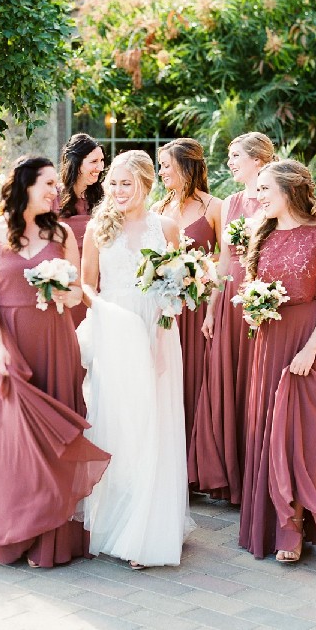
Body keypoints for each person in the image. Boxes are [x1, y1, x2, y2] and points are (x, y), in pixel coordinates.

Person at [0, 156, 110, 567]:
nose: (54, 192)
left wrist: (67, 295)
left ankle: (51, 539)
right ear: (24, 185)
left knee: (54, 443)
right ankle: (13, 533)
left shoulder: (61, 232)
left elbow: (80, 290)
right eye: (47, 184)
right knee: (10, 443)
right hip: (7, 343)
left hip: (54, 342)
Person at [78, 149, 194, 569]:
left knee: (154, 424)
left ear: (146, 184)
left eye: (126, 183)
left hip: (157, 332)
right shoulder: (97, 229)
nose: (118, 190)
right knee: (118, 424)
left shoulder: (167, 228)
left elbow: (181, 284)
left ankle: (148, 529)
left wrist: (166, 310)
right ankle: (116, 518)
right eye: (113, 183)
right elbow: (87, 285)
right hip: (115, 332)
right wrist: (109, 313)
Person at [239, 160, 316, 562]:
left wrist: (310, 349)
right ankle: (272, 525)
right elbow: (254, 287)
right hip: (270, 342)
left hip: (309, 340)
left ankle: (294, 530)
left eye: (265, 189)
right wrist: (251, 311)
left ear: (287, 190)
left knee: (301, 437)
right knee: (270, 432)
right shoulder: (261, 233)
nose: (257, 196)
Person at [188, 132, 275, 504]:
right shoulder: (231, 203)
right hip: (231, 298)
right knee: (229, 380)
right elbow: (223, 262)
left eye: (236, 156)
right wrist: (211, 308)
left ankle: (258, 472)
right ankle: (231, 474)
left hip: (265, 298)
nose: (230, 163)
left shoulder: (277, 199)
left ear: (258, 160)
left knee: (256, 382)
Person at [152, 138, 222, 458]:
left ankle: (198, 464)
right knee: (169, 384)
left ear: (186, 166)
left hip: (201, 307)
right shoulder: (157, 209)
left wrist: (202, 270)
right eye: (161, 165)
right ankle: (171, 462)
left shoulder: (214, 207)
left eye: (167, 164)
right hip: (167, 308)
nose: (161, 171)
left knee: (198, 379)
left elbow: (227, 259)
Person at [57, 133, 105, 326]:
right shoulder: (54, 197)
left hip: (98, 286)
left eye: (102, 161)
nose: (100, 167)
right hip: (65, 285)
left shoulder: (104, 198)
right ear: (77, 163)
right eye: (94, 161)